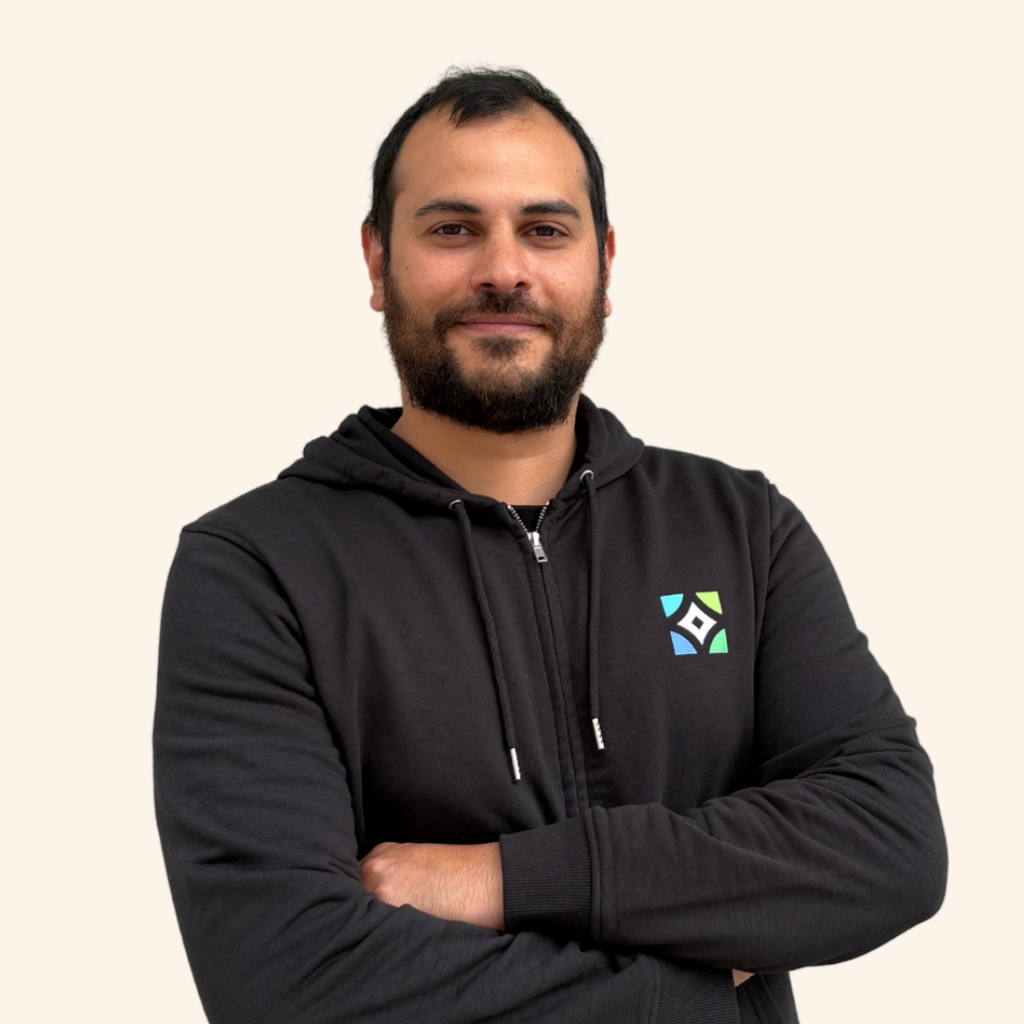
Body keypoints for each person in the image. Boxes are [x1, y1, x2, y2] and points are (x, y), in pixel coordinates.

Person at [153, 68, 947, 1024]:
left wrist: (504, 880)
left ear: (603, 263)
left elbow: (889, 842)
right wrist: (689, 991)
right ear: (377, 260)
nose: (504, 270)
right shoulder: (256, 567)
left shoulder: (742, 528)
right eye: (453, 229)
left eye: (544, 229)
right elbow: (287, 978)